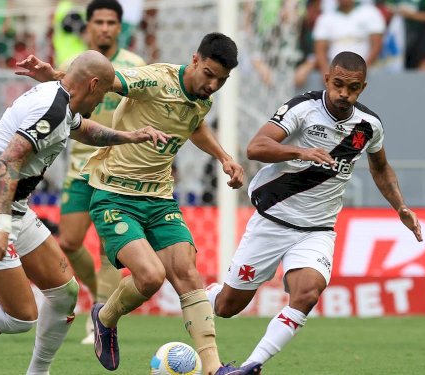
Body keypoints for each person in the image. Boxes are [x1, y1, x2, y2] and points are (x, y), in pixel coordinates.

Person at [0, 50, 169, 374]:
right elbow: (7, 164)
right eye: (104, 92)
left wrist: (129, 137)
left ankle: (38, 372)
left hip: (10, 208)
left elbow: (84, 130)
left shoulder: (61, 100)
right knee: (20, 318)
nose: (103, 100)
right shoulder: (51, 108)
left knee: (65, 293)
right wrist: (2, 228)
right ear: (93, 84)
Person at [15, 33, 258, 375]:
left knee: (188, 274)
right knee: (151, 277)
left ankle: (214, 368)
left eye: (221, 79)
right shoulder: (155, 79)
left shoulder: (202, 98)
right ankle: (105, 316)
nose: (213, 84)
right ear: (194, 59)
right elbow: (103, 80)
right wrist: (56, 75)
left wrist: (224, 157)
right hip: (114, 194)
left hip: (158, 197)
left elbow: (194, 124)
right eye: (208, 74)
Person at [204, 51, 422, 371]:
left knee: (306, 294)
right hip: (273, 220)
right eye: (338, 85)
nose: (344, 94)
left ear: (362, 88)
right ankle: (205, 296)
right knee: (226, 307)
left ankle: (252, 365)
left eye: (353, 88)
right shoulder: (302, 109)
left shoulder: (369, 125)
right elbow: (256, 147)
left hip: (317, 230)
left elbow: (381, 168)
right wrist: (300, 151)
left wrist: (400, 206)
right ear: (326, 80)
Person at [57, 0, 146, 346]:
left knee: (109, 248)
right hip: (79, 166)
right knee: (69, 241)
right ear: (89, 27)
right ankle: (97, 290)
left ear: (119, 27)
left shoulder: (136, 67)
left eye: (112, 22)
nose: (105, 28)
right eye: (99, 22)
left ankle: (98, 318)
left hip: (118, 169)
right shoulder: (73, 66)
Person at [313, 0, 385, 76]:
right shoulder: (325, 18)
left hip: (368, 74)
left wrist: (363, 70)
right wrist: (327, 73)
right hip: (336, 76)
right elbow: (320, 50)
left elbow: (377, 45)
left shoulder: (371, 12)